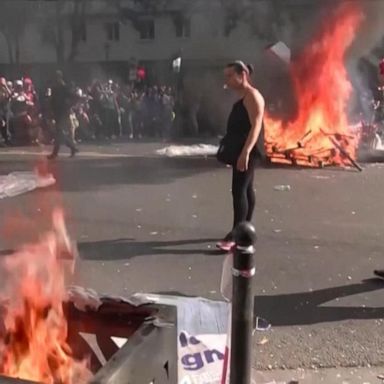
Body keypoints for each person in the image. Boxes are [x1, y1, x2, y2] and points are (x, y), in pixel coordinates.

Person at [217, 61, 265, 251]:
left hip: (248, 150)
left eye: (230, 76)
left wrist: (245, 153)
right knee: (247, 189)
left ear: (242, 74)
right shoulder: (245, 97)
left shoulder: (252, 96)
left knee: (239, 191)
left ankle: (236, 235)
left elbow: (256, 127)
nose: (226, 80)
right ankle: (246, 229)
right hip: (243, 149)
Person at [47, 71, 78, 159]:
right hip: (58, 113)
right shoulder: (55, 88)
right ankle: (72, 148)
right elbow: (52, 101)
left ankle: (56, 152)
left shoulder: (64, 87)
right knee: (59, 133)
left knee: (59, 133)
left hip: (63, 113)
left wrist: (69, 105)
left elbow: (73, 96)